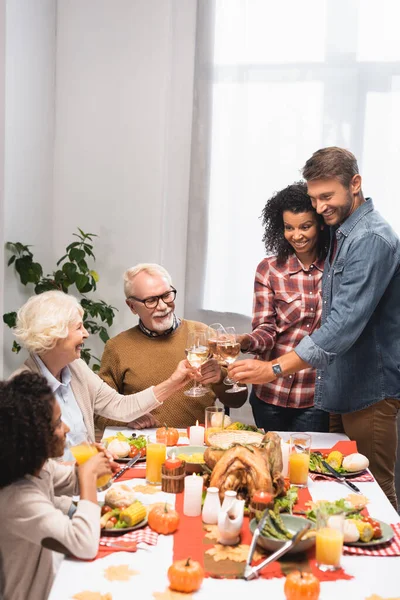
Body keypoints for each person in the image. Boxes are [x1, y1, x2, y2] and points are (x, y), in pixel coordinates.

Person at [229, 147, 400, 509]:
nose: (320, 208)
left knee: (375, 492)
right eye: (314, 198)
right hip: (340, 389)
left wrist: (272, 367)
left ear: (355, 184)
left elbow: (340, 327)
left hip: (369, 392)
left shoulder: (370, 238)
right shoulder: (344, 233)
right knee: (338, 488)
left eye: (327, 197)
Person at [12, 290, 197, 456]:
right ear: (53, 335)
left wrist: (174, 382)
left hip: (88, 480)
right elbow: (32, 468)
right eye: (78, 328)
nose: (86, 334)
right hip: (58, 490)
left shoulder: (76, 368)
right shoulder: (21, 390)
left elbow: (120, 406)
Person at [95, 263, 247, 431]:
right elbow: (99, 412)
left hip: (196, 447)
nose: (162, 306)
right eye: (151, 300)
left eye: (166, 295)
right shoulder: (117, 348)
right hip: (146, 449)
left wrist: (220, 378)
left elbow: (238, 400)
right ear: (132, 306)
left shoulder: (206, 335)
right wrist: (127, 419)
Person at [0, 372, 112, 600]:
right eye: (58, 423)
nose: (67, 429)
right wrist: (88, 475)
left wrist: (94, 467)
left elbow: (71, 479)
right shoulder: (19, 500)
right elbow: (84, 544)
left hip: (54, 581)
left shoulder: (37, 467)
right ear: (35, 437)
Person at [238, 182, 329, 432]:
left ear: (321, 224)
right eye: (289, 227)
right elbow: (266, 331)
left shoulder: (336, 268)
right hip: (270, 393)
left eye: (305, 226)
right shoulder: (269, 269)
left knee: (306, 467)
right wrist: (243, 341)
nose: (296, 235)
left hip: (314, 396)